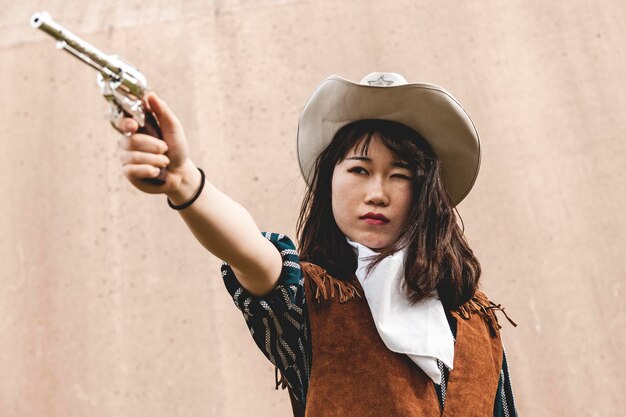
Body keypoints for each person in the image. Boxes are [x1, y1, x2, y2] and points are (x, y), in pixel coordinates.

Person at [115, 72, 518, 416]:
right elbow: (249, 251)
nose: (377, 193)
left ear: (427, 192)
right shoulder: (310, 303)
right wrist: (184, 181)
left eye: (401, 174)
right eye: (359, 169)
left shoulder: (476, 321)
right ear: (330, 182)